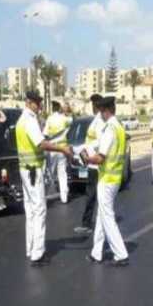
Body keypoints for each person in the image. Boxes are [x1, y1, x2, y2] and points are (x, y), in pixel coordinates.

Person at [16, 91, 73, 267]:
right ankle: (38, 254)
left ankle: (31, 248)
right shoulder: (30, 120)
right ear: (29, 103)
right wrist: (62, 150)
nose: (40, 106)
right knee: (39, 210)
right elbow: (41, 143)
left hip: (25, 171)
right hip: (33, 171)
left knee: (31, 211)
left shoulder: (21, 120)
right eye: (37, 103)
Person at [81, 96, 129, 267]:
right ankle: (97, 252)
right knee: (102, 216)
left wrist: (87, 159)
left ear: (106, 110)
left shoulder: (110, 129)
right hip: (114, 178)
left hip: (107, 179)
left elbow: (101, 158)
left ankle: (121, 254)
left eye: (101, 110)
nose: (100, 114)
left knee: (107, 217)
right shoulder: (119, 127)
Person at [74, 94, 105, 235]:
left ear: (96, 106)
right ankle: (97, 222)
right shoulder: (96, 121)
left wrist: (85, 153)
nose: (92, 107)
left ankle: (87, 224)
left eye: (93, 104)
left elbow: (99, 143)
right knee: (93, 194)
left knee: (92, 194)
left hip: (95, 164)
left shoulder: (100, 123)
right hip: (91, 162)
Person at [43, 101, 72, 203]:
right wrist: (67, 110)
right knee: (62, 172)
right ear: (59, 108)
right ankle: (64, 197)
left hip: (53, 149)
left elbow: (45, 134)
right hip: (63, 149)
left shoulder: (49, 119)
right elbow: (72, 119)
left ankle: (45, 195)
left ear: (52, 108)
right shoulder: (65, 119)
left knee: (51, 172)